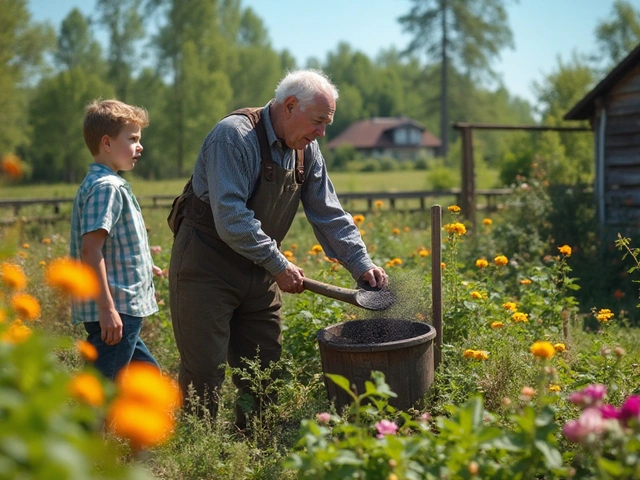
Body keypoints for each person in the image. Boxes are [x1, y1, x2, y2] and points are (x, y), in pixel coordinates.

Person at [168, 69, 388, 428]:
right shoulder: (233, 137)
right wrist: (278, 264)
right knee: (204, 367)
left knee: (264, 366)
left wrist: (360, 264)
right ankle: (197, 454)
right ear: (289, 106)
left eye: (326, 123)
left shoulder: (307, 150)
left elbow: (328, 212)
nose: (322, 133)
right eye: (318, 121)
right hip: (206, 267)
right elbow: (231, 218)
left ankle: (254, 445)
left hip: (258, 270)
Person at [70, 99, 161, 380]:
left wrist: (146, 266)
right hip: (115, 309)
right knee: (102, 392)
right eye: (132, 139)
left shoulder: (106, 183)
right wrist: (106, 309)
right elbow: (91, 250)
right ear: (107, 143)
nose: (140, 146)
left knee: (147, 375)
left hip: (120, 308)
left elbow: (110, 246)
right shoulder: (107, 187)